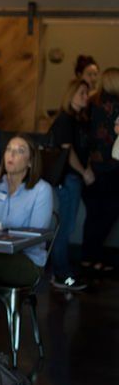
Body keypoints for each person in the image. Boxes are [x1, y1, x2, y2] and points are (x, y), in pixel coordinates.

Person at [0, 135, 53, 316]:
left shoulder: (41, 190)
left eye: (19, 151)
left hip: (28, 262)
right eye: (9, 149)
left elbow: (35, 236)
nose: (12, 154)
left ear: (30, 162)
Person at [48, 80, 93, 290]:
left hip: (74, 177)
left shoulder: (79, 120)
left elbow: (84, 149)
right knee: (65, 226)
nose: (86, 96)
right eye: (82, 93)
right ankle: (61, 273)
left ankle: (61, 270)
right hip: (67, 178)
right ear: (71, 94)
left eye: (87, 93)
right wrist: (84, 172)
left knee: (67, 225)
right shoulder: (65, 119)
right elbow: (68, 152)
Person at [83, 68, 119, 273]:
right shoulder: (116, 105)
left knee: (94, 214)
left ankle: (89, 258)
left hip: (91, 167)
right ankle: (95, 257)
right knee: (108, 213)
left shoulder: (91, 103)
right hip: (113, 166)